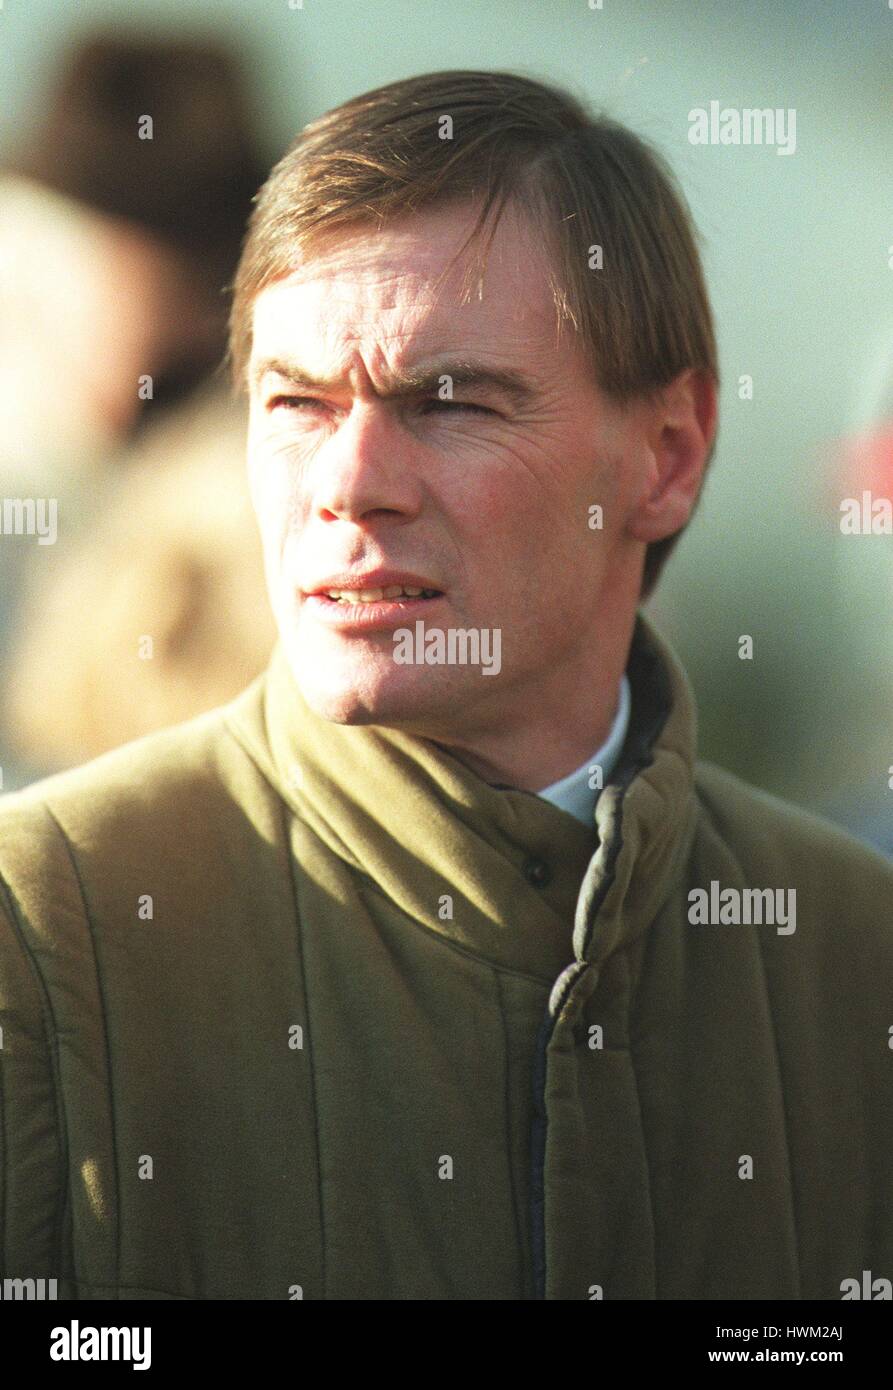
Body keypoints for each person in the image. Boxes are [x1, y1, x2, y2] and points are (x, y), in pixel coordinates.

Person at [1, 70, 892, 1302]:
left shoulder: (851, 944)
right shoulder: (42, 925)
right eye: (296, 402)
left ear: (667, 455)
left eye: (451, 399)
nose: (349, 483)